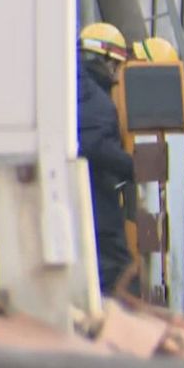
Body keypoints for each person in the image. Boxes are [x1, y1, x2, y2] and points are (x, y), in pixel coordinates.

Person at [77, 22, 136, 293]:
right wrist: (133, 167)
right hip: (97, 203)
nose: (117, 74)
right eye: (116, 65)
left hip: (86, 199)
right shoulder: (94, 97)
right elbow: (97, 145)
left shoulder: (80, 87)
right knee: (117, 273)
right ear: (104, 60)